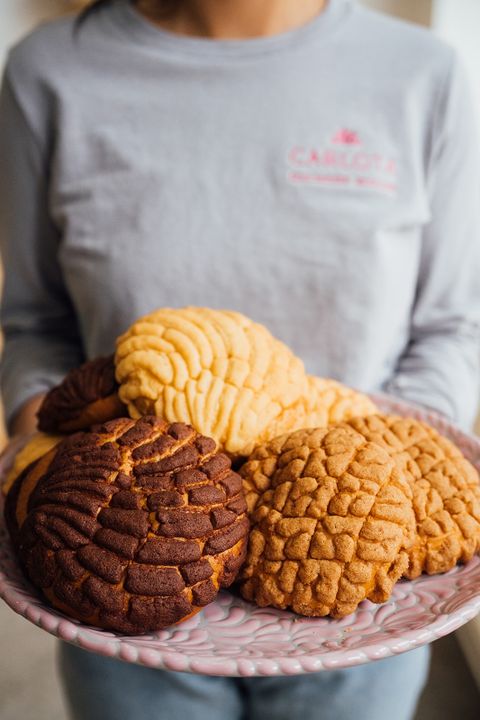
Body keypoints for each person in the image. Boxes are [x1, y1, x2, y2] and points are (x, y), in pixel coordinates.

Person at [0, 1, 479, 718]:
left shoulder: (423, 73)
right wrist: (45, 474)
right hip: (122, 599)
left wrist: (399, 494)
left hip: (364, 610)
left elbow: (451, 326)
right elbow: (35, 323)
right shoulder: (50, 71)